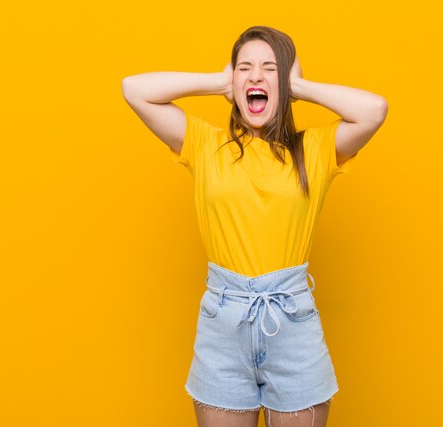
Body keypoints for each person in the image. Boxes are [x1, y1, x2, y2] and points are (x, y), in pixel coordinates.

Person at [122, 25, 387, 427]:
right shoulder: (205, 145)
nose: (256, 76)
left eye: (269, 68)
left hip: (292, 321)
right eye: (245, 68)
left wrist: (299, 86)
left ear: (286, 82)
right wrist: (218, 82)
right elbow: (133, 89)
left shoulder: (313, 150)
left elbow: (374, 110)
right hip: (222, 324)